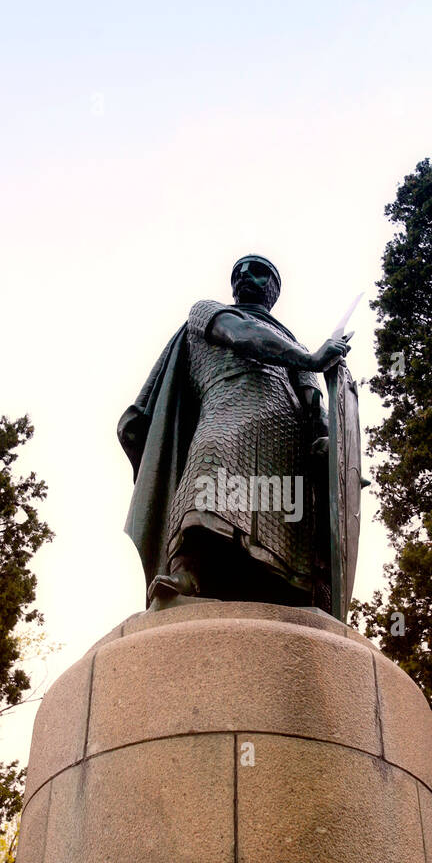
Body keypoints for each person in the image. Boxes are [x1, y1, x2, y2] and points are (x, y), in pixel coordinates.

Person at [117, 255, 350, 608]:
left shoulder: (293, 343)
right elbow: (241, 335)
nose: (245, 275)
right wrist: (313, 359)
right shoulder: (207, 312)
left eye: (258, 271)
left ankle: (284, 586)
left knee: (286, 514)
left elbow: (312, 401)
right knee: (211, 461)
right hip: (226, 407)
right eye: (240, 271)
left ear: (273, 289)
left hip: (283, 429)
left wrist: (334, 448)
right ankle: (188, 570)